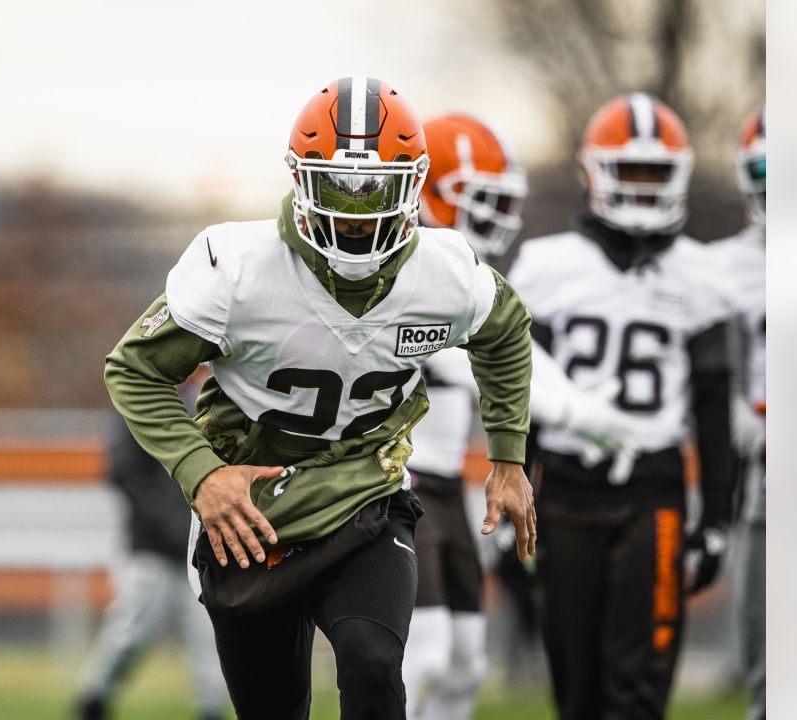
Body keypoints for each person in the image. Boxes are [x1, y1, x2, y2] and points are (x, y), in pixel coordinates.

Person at [103, 77, 536, 720]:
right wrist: (203, 476)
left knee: (373, 662)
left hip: (366, 499)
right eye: (337, 186)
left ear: (413, 185)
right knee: (274, 706)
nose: (357, 212)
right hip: (251, 517)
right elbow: (133, 369)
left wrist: (507, 457)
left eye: (375, 190)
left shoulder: (443, 272)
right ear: (301, 180)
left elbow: (505, 330)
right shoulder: (240, 267)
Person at [401, 114, 639, 720]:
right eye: (483, 201)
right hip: (395, 481)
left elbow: (520, 352)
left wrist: (586, 410)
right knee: (421, 655)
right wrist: (580, 414)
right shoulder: (406, 268)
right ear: (432, 191)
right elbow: (474, 366)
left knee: (464, 663)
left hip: (446, 484)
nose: (496, 219)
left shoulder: (467, 277)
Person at [507, 92, 736, 720]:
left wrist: (716, 516)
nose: (641, 186)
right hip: (566, 492)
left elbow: (714, 411)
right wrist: (514, 489)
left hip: (652, 493)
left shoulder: (703, 274)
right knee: (576, 690)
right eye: (628, 170)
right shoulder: (548, 265)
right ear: (593, 173)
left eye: (654, 172)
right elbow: (520, 398)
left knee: (638, 689)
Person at [76, 366, 228, 720]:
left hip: (199, 546)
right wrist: (171, 525)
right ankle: (95, 696)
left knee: (208, 635)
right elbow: (123, 472)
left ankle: (211, 709)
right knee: (134, 628)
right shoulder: (141, 399)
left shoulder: (212, 405)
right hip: (151, 546)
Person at [708, 103, 766, 720]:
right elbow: (705, 376)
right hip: (769, 481)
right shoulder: (723, 267)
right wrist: (739, 419)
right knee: (770, 674)